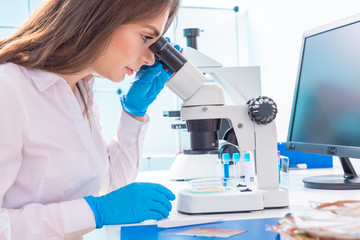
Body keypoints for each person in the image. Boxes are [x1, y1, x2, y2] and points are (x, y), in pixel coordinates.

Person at [0, 0, 180, 239]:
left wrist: (133, 114)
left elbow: (112, 189)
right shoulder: (9, 88)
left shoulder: (80, 90)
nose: (149, 59)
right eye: (146, 37)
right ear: (101, 17)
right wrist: (96, 212)